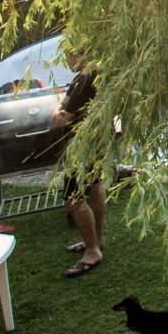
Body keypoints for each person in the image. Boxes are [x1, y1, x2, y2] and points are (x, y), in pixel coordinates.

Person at [54, 52, 106, 278]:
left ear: (81, 52)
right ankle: (98, 240)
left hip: (83, 145)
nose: (65, 59)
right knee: (94, 187)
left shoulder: (89, 78)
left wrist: (60, 115)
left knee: (72, 199)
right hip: (92, 143)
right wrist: (57, 112)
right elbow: (63, 106)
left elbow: (65, 115)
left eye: (67, 53)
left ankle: (92, 251)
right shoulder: (80, 78)